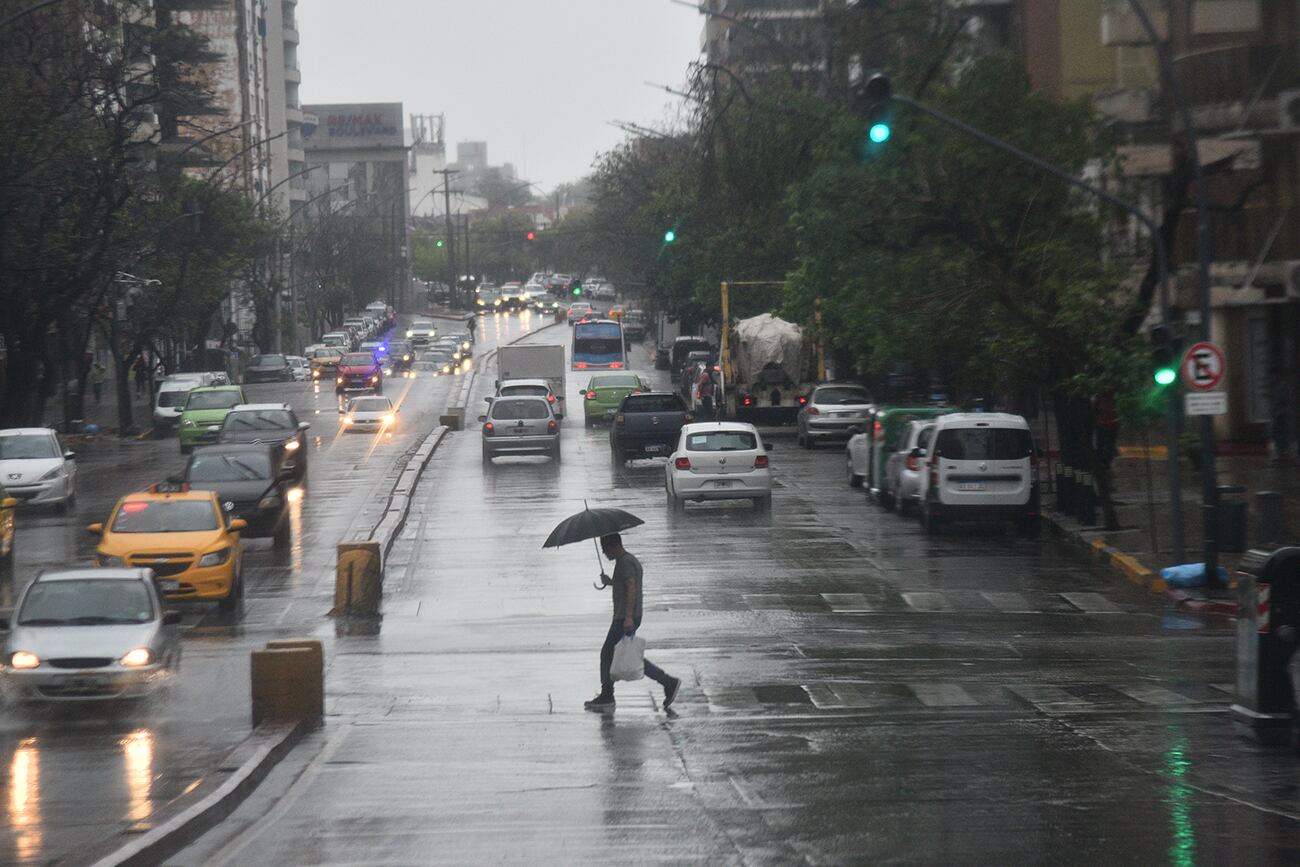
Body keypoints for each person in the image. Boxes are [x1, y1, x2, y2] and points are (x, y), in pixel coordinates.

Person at [585, 534, 681, 712]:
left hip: (625, 617)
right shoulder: (627, 561)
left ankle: (607, 696)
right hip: (626, 616)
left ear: (614, 545)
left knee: (608, 653)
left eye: (605, 548)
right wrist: (611, 582)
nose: (604, 553)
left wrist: (628, 617)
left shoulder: (625, 562)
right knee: (625, 656)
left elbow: (631, 587)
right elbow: (625, 584)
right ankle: (667, 682)